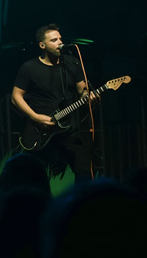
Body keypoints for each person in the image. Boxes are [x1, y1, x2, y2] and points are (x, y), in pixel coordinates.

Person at [10, 23, 94, 183]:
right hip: (41, 130)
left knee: (84, 172)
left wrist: (90, 98)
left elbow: (83, 91)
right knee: (33, 176)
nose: (60, 43)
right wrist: (35, 117)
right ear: (42, 45)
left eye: (60, 39)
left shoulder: (72, 63)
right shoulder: (29, 68)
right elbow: (16, 97)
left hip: (69, 128)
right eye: (54, 40)